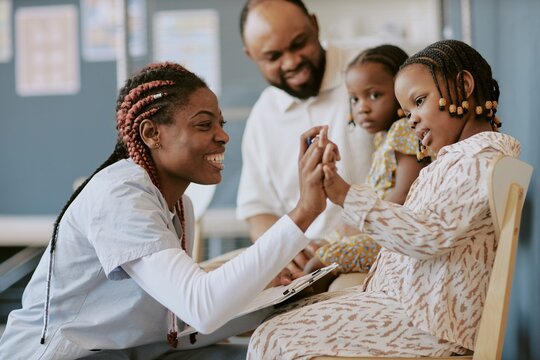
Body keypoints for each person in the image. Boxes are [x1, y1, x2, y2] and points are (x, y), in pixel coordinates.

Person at [0, 62, 333, 359]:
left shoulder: (178, 204)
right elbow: (203, 307)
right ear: (151, 133)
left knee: (272, 350)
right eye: (205, 125)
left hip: (133, 351)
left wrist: (277, 295)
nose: (223, 136)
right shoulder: (120, 196)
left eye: (221, 123)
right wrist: (304, 211)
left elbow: (176, 323)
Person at [247, 39, 518, 359]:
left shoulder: (478, 159)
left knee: (276, 339)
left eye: (419, 101)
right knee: (274, 325)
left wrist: (344, 194)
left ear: (464, 84)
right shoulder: (458, 160)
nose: (412, 119)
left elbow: (427, 236)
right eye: (406, 111)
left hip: (431, 327)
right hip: (407, 308)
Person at [237, 0, 374, 274]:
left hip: (375, 251)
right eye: (273, 57)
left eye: (299, 44)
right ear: (251, 56)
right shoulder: (263, 116)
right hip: (306, 270)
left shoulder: (371, 75)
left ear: (314, 25)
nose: (291, 62)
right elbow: (258, 210)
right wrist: (285, 251)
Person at [303, 44, 431, 275]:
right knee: (314, 248)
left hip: (391, 237)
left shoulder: (405, 131)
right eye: (354, 99)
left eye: (374, 95)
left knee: (318, 264)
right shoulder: (385, 138)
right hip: (379, 229)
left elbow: (401, 198)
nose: (362, 108)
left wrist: (359, 227)